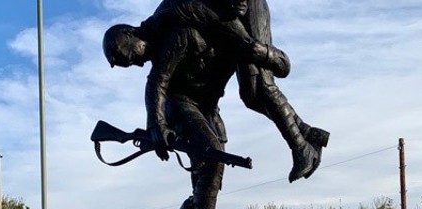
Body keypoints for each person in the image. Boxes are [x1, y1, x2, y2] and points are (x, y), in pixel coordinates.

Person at [103, 10, 289, 209]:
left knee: (206, 186)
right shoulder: (175, 32)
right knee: (213, 160)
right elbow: (157, 82)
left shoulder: (192, 27)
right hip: (180, 107)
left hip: (207, 109)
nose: (136, 63)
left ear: (130, 35)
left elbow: (159, 80)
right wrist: (157, 125)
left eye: (130, 57)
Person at [135, 0, 329, 183]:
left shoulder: (169, 13)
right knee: (251, 95)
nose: (136, 63)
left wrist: (262, 52)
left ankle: (302, 148)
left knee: (260, 85)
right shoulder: (165, 23)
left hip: (242, 14)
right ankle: (309, 134)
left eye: (128, 58)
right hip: (227, 18)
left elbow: (229, 11)